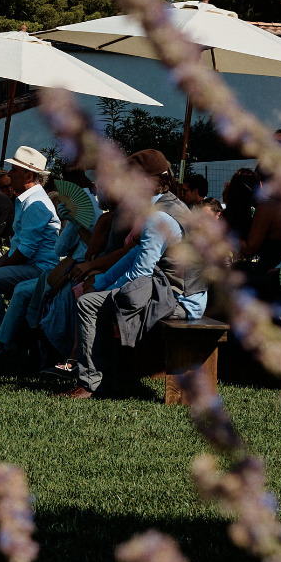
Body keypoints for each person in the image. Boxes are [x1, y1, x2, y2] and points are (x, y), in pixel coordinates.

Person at [63, 150, 197, 400]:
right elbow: (132, 255)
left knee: (88, 304)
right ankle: (106, 378)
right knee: (95, 298)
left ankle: (91, 383)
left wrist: (104, 290)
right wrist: (103, 283)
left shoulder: (161, 214)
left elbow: (141, 271)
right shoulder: (161, 205)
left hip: (176, 296)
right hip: (165, 289)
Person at [0, 147, 62, 355]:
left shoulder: (36, 203)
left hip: (40, 269)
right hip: (31, 265)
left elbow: (25, 251)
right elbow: (20, 247)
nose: (9, 174)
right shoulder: (28, 199)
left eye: (14, 170)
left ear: (29, 175)